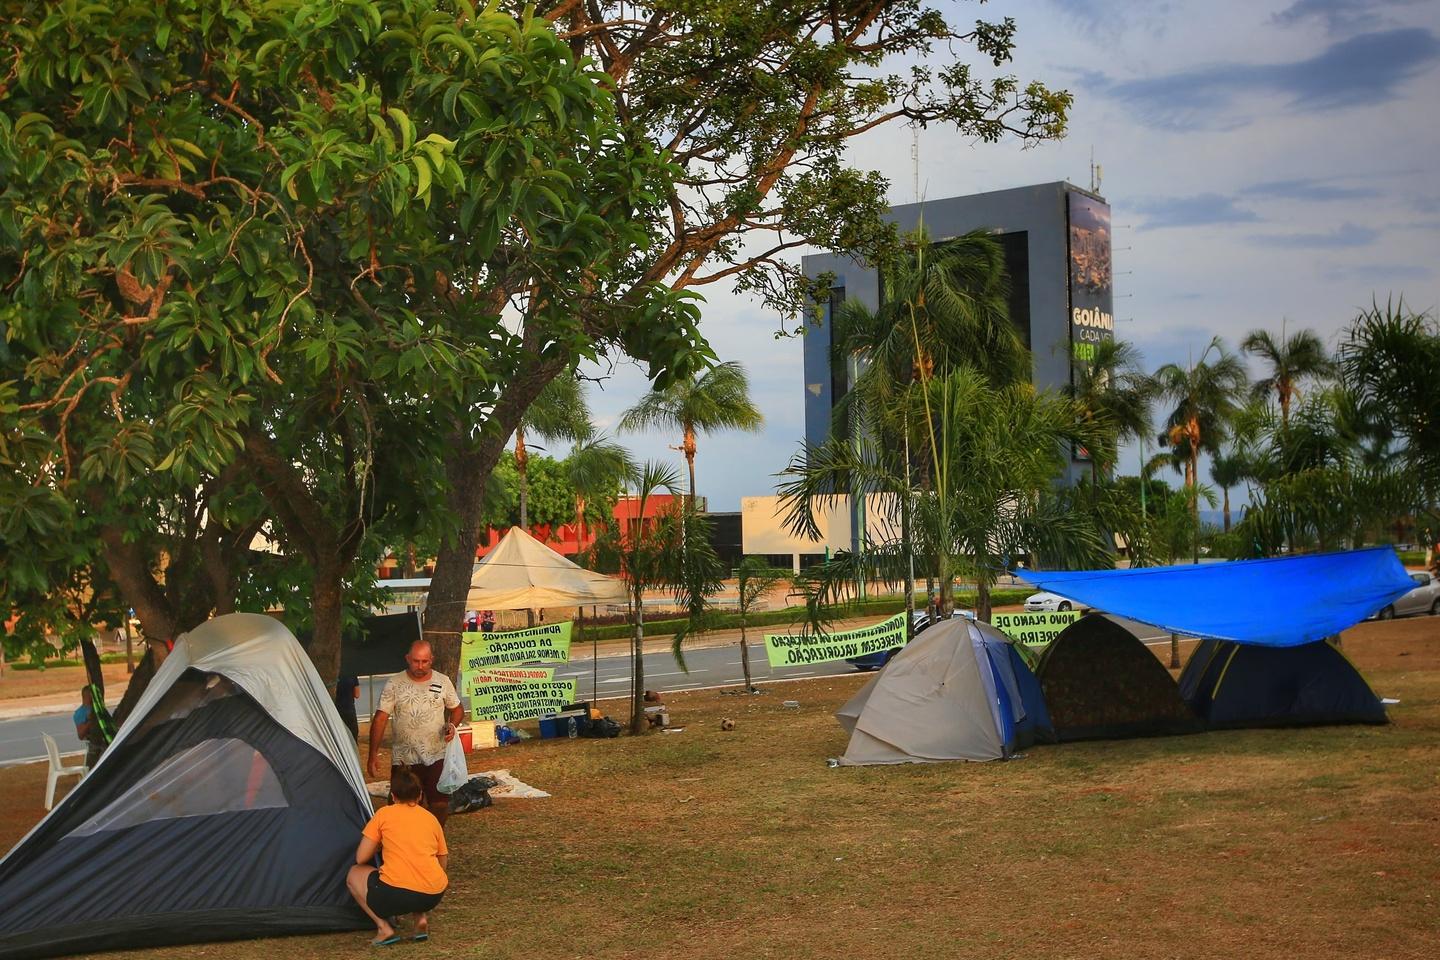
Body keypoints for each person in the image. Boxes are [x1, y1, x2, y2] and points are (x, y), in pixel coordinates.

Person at [345, 768, 448, 946]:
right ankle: (420, 918)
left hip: (396, 894)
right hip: (434, 893)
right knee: (419, 871)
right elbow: (443, 860)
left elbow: (361, 858)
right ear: (420, 795)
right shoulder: (431, 819)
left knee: (354, 874)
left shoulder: (384, 815)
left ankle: (383, 928)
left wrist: (381, 844)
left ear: (393, 796)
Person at [367, 640, 462, 824]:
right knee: (399, 805)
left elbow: (457, 709)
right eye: (416, 661)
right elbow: (380, 719)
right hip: (404, 757)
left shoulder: (443, 681)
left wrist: (452, 725)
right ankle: (398, 841)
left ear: (431, 660)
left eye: (424, 661)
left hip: (436, 754)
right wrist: (372, 755)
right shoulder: (394, 683)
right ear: (407, 659)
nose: (420, 666)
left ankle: (434, 840)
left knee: (440, 804)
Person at [334, 675, 360, 742]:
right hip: (349, 709)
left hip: (335, 710)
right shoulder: (352, 674)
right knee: (353, 735)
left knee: (338, 736)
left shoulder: (332, 675)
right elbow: (357, 694)